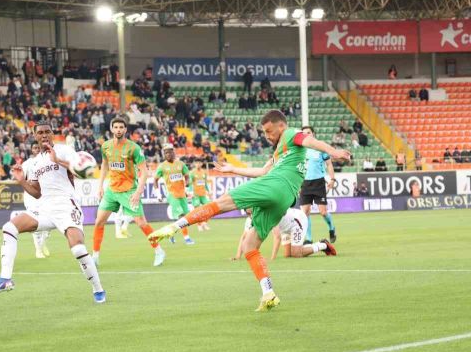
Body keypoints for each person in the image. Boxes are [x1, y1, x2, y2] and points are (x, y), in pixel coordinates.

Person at [148, 109, 350, 312]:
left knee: (223, 202)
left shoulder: (290, 134)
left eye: (269, 131)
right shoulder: (280, 152)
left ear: (281, 125)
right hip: (284, 199)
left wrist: (334, 152)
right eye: (264, 132)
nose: (267, 136)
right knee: (249, 245)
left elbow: (310, 141)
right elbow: (261, 171)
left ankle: (175, 227)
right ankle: (268, 293)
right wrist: (233, 169)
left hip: (275, 184)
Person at [0, 123, 105, 303]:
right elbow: (36, 192)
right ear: (35, 136)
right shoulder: (36, 162)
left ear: (52, 134)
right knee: (9, 227)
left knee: (78, 249)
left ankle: (98, 289)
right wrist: (21, 181)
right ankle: (5, 279)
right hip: (45, 208)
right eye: (40, 133)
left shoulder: (64, 151)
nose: (44, 135)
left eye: (47, 132)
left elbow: (83, 173)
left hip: (66, 206)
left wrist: (58, 161)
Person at [92, 117, 166, 267]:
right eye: (116, 127)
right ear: (111, 129)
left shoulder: (134, 148)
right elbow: (105, 165)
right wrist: (100, 186)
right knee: (99, 222)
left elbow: (144, 172)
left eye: (121, 127)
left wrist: (138, 192)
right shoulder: (105, 146)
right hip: (112, 190)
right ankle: (95, 256)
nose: (118, 130)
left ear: (125, 129)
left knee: (141, 223)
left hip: (129, 191)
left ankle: (159, 251)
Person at [299, 126, 336, 244]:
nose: (306, 134)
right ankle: (309, 239)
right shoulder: (300, 149)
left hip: (318, 182)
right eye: (304, 133)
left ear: (313, 134)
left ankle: (331, 228)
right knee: (305, 212)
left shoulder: (320, 147)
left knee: (323, 212)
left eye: (308, 132)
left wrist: (332, 179)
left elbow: (329, 164)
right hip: (304, 183)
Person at [154, 144, 195, 245]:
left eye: (169, 152)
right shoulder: (162, 166)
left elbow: (187, 176)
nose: (167, 154)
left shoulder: (180, 164)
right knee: (181, 216)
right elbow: (155, 180)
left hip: (182, 194)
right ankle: (187, 238)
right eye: (165, 153)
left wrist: (187, 187)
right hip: (172, 195)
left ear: (173, 152)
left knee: (186, 218)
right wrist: (158, 194)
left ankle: (171, 232)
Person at [189, 161, 211, 231]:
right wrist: (190, 192)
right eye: (197, 163)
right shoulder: (192, 172)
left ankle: (204, 223)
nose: (198, 164)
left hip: (203, 194)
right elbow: (190, 183)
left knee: (208, 209)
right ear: (195, 164)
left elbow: (205, 183)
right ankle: (199, 225)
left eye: (199, 163)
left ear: (201, 164)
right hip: (196, 194)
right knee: (197, 211)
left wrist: (209, 191)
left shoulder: (204, 172)